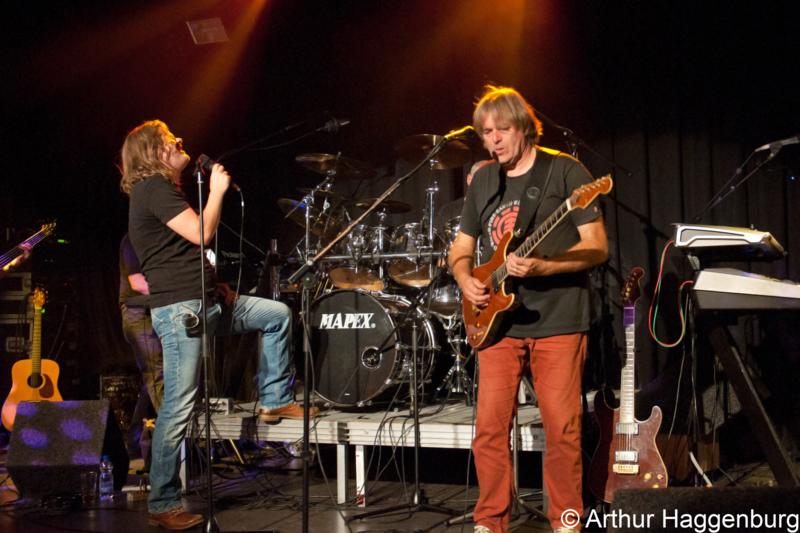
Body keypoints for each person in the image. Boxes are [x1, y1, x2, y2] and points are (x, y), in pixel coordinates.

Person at [120, 119, 316, 530]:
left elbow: (176, 254)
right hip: (181, 311)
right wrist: (217, 191)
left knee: (276, 315)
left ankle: (274, 399)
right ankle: (162, 502)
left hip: (204, 301)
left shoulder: (161, 190)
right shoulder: (152, 188)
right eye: (169, 139)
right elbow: (202, 233)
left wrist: (217, 286)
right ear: (154, 152)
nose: (179, 141)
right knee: (178, 406)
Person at [448, 86, 608, 533]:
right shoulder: (484, 181)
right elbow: (461, 247)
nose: (493, 140)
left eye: (502, 130)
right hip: (497, 323)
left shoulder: (565, 171)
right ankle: (490, 521)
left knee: (562, 430)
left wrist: (544, 266)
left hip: (558, 318)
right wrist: (465, 279)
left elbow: (597, 247)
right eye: (486, 133)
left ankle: (566, 520)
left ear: (524, 127)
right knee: (489, 430)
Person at [119, 233, 163, 465]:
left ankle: (135, 443)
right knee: (157, 377)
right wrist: (178, 293)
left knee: (152, 383)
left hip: (157, 312)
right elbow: (137, 283)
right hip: (138, 314)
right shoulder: (133, 239)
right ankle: (175, 445)